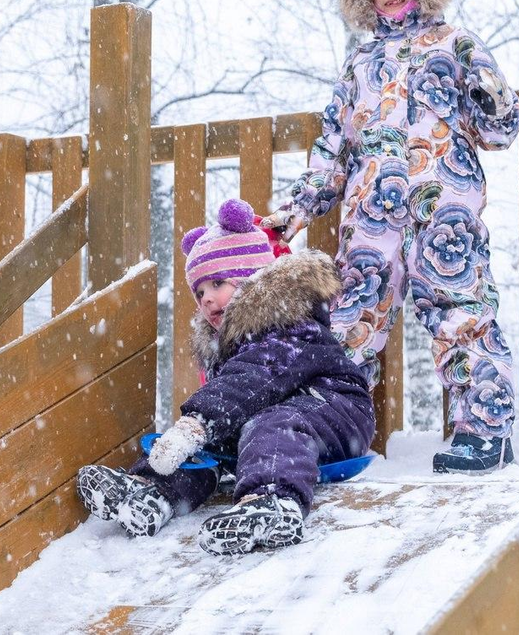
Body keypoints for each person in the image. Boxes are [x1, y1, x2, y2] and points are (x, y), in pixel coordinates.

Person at [263, 0, 519, 473]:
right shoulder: (360, 64)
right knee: (350, 322)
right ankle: (323, 435)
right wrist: (298, 209)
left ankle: (484, 431)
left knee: (461, 312)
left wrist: (486, 84)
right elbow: (333, 147)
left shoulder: (454, 44)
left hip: (444, 208)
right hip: (371, 217)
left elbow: (499, 130)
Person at [76, 199, 375, 555]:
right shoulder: (227, 343)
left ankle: (272, 503)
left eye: (218, 283)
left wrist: (196, 423)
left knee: (270, 424)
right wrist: (197, 437)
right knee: (214, 443)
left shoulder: (288, 323)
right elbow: (239, 394)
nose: (206, 298)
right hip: (274, 417)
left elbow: (252, 378)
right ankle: (152, 492)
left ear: (253, 280)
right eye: (199, 291)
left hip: (334, 410)